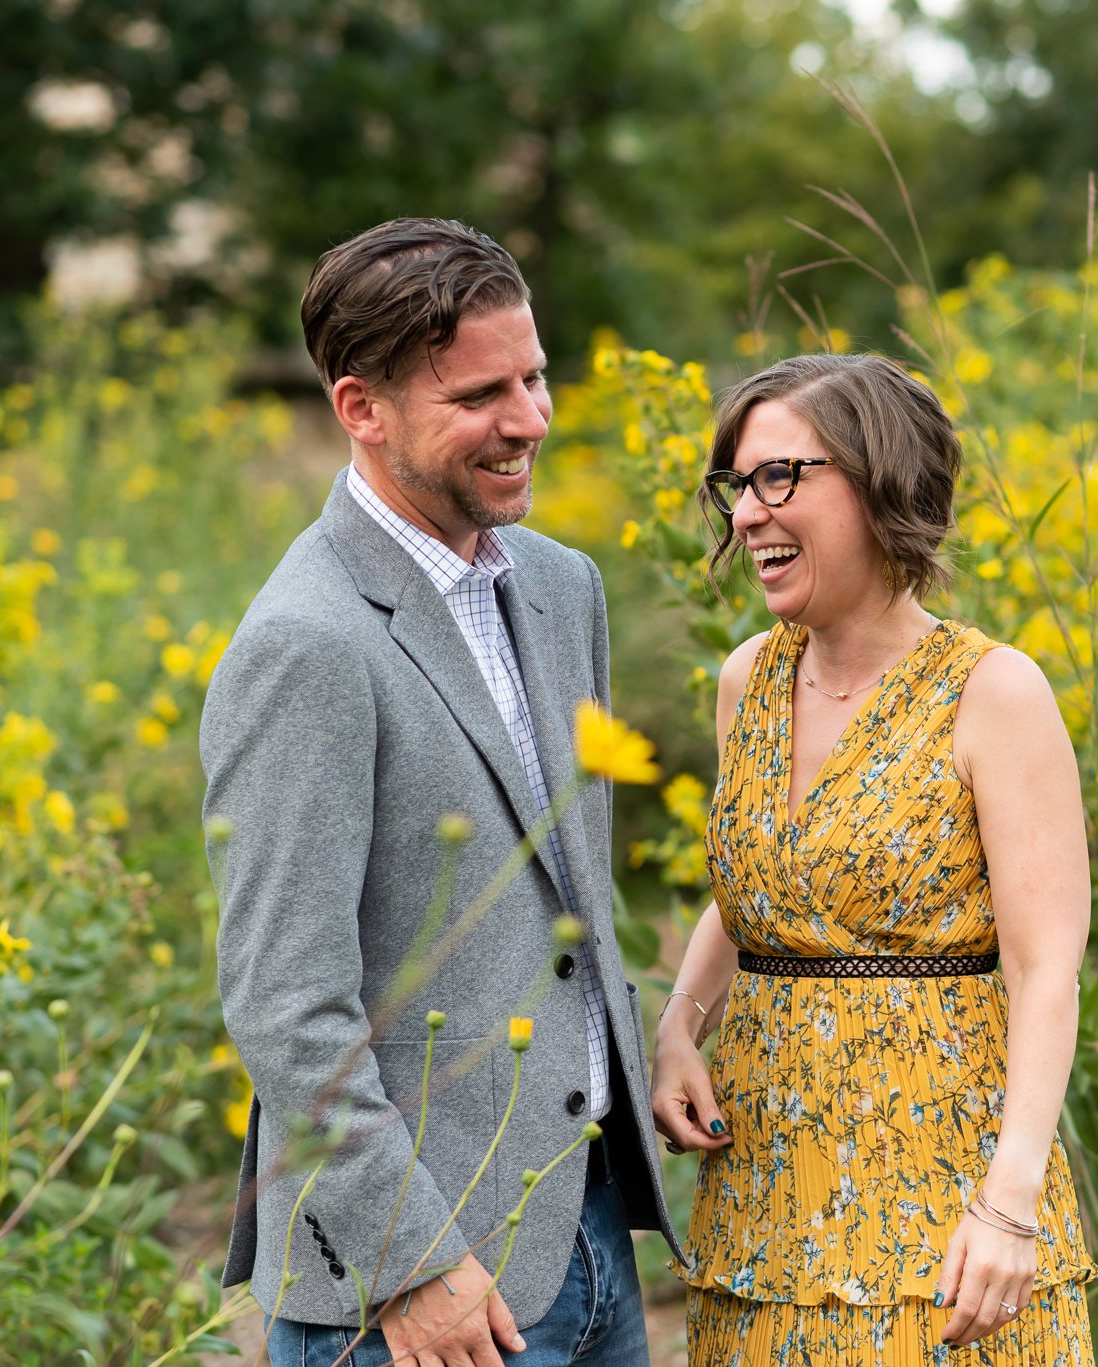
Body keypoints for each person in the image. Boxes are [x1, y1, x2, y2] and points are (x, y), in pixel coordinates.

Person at [200, 217, 674, 1367]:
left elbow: (563, 905)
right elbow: (283, 1004)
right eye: (479, 395)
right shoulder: (306, 646)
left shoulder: (564, 586)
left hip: (590, 1228)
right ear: (360, 406)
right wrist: (413, 1259)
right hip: (417, 1293)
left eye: (535, 375)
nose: (529, 419)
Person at [651, 353, 1098, 1363]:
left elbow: (1043, 966)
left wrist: (1010, 1200)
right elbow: (763, 880)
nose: (746, 514)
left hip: (942, 1210)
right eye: (735, 486)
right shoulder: (746, 680)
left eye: (779, 477)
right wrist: (680, 1023)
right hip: (764, 1202)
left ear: (879, 477)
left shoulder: (993, 690)